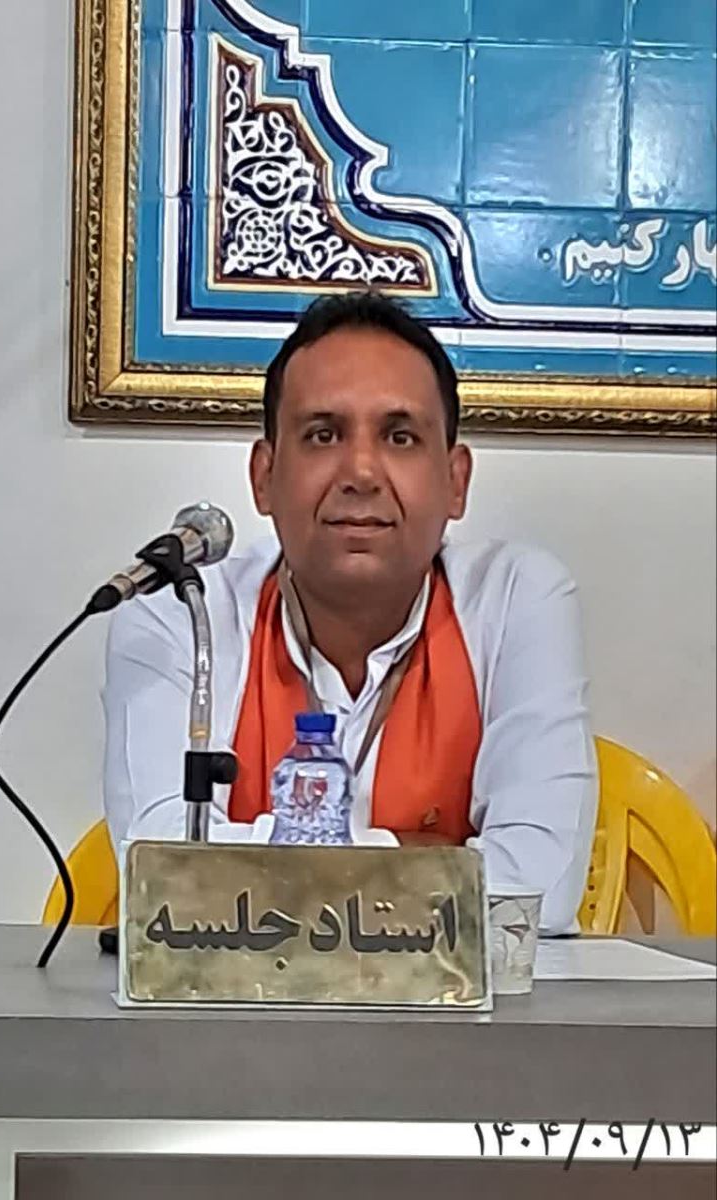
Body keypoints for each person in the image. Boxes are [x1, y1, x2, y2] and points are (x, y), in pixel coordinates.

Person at [103, 291, 597, 934]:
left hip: (449, 1005)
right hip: (239, 997)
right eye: (323, 434)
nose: (361, 471)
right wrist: (431, 856)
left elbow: (541, 891)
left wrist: (257, 861)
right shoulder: (182, 613)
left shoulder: (512, 599)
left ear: (455, 481)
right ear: (264, 477)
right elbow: (157, 872)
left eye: (399, 436)